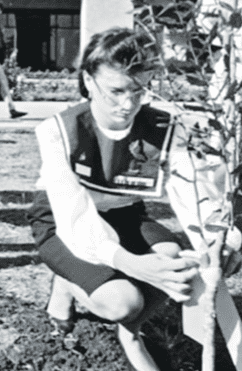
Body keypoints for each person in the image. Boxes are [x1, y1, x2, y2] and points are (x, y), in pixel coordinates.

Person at [27, 27, 200, 371]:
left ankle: (130, 331)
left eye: (139, 91)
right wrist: (128, 263)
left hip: (124, 214)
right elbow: (74, 217)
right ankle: (69, 283)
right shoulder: (58, 131)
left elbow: (192, 192)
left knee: (173, 259)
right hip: (63, 222)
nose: (128, 104)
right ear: (89, 81)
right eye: (116, 91)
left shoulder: (166, 128)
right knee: (123, 301)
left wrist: (219, 240)